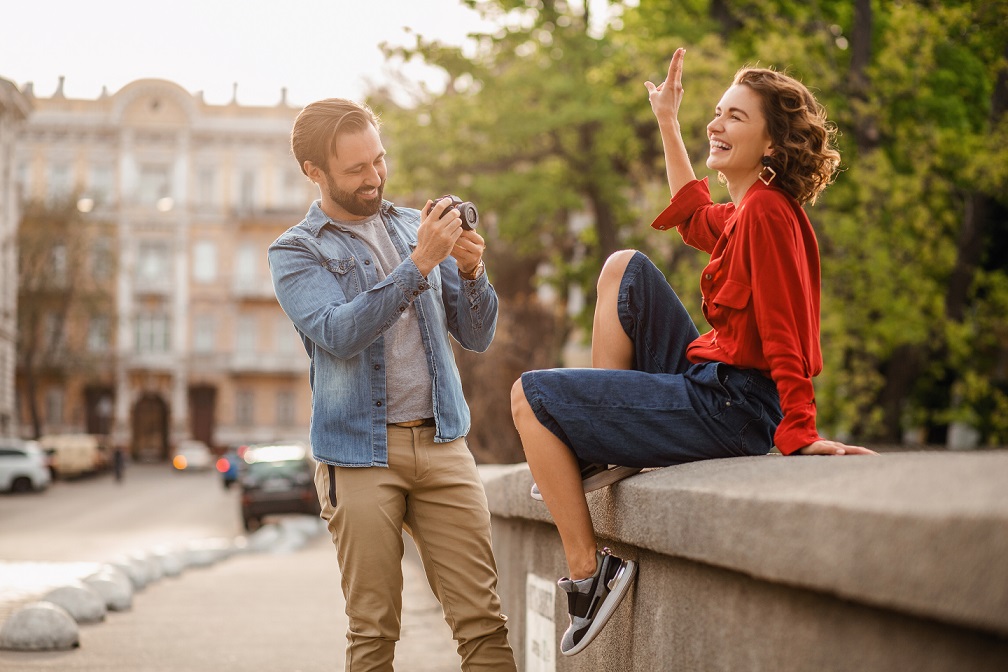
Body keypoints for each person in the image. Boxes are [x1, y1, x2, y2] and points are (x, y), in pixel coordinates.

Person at [510, 48, 878, 657]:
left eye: (735, 117)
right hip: (714, 382)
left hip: (730, 404)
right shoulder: (745, 212)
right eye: (717, 113)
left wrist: (800, 430)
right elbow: (693, 216)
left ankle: (589, 574)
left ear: (771, 144)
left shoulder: (765, 213)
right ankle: (605, 441)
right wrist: (667, 121)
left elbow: (786, 329)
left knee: (532, 395)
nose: (718, 124)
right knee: (623, 267)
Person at [269, 98, 516, 672]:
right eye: (356, 169)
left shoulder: (413, 226)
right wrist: (419, 266)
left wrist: (473, 273)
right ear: (315, 171)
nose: (375, 177)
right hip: (358, 454)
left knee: (483, 623)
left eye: (378, 160)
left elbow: (476, 336)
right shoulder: (297, 250)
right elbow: (338, 333)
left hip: (442, 443)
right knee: (374, 631)